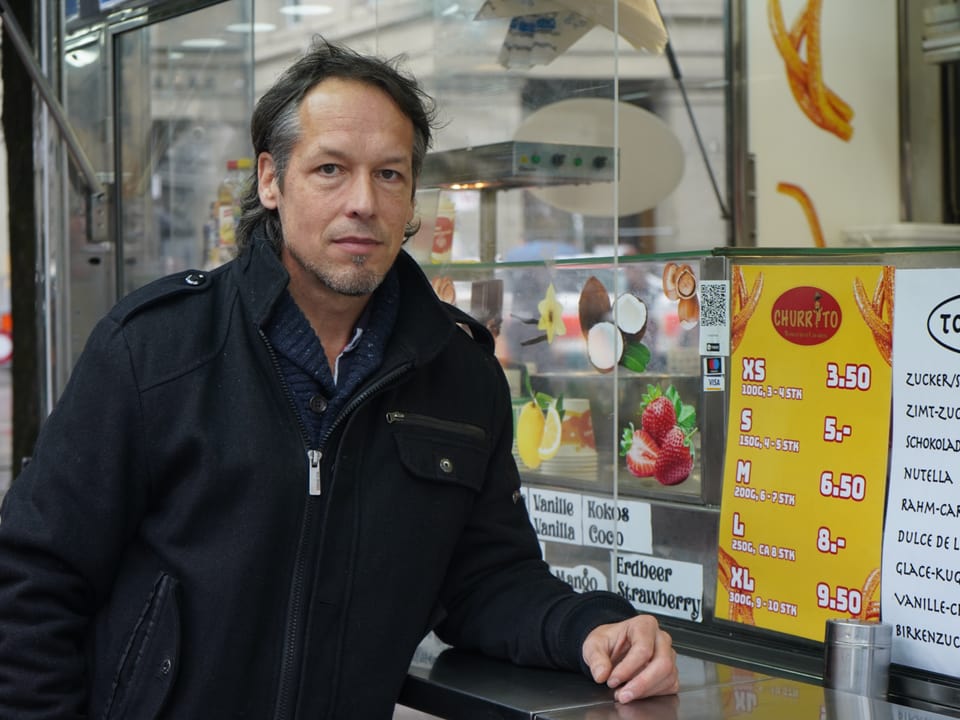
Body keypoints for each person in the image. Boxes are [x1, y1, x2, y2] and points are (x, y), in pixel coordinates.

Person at [0, 38, 678, 719]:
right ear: (271, 180)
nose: (363, 202)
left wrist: (590, 628)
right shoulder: (156, 351)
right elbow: (32, 581)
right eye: (330, 169)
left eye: (389, 175)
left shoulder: (460, 375)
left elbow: (485, 580)